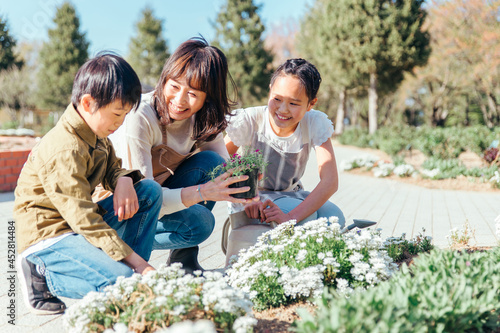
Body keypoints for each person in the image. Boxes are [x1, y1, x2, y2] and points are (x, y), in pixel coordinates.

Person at [14, 53, 163, 315]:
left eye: (125, 114)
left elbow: (113, 168)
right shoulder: (64, 148)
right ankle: (40, 274)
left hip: (77, 229)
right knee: (121, 283)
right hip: (50, 238)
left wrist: (125, 180)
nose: (120, 123)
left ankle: (132, 279)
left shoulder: (96, 132)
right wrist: (138, 263)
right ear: (87, 102)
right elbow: (83, 219)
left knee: (149, 191)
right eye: (117, 113)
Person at [109, 37, 257, 274]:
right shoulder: (140, 116)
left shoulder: (202, 119)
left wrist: (251, 198)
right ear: (164, 79)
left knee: (213, 164)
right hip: (120, 210)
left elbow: (224, 170)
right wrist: (202, 192)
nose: (179, 101)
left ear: (208, 97)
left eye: (193, 93)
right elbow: (143, 198)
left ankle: (182, 261)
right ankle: (122, 255)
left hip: (160, 198)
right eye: (175, 86)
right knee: (199, 224)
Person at [225, 58, 346, 227]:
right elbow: (219, 160)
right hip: (253, 200)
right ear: (270, 91)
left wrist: (291, 216)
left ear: (311, 104)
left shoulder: (313, 123)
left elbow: (330, 182)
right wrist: (247, 198)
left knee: (334, 217)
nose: (283, 109)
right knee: (306, 219)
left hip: (291, 194)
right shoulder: (251, 120)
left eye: (294, 103)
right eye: (277, 99)